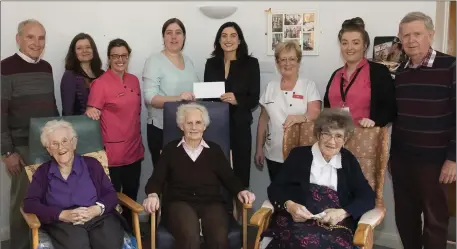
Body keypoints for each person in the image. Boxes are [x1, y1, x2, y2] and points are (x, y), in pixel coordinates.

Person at [142, 103, 256, 249]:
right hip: (179, 202)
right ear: (182, 126)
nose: (194, 127)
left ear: (204, 126)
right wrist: (152, 194)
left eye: (198, 123)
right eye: (189, 123)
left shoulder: (214, 150)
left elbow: (230, 178)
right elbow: (156, 179)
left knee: (219, 238)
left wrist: (241, 190)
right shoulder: (170, 150)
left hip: (212, 202)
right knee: (190, 237)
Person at [260, 108, 375, 249]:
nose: (332, 141)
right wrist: (289, 205)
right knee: (302, 242)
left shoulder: (348, 160)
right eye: (327, 134)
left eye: (338, 136)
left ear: (345, 139)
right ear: (318, 134)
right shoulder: (299, 155)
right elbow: (276, 188)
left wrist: (343, 213)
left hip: (334, 224)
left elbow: (367, 195)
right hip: (297, 221)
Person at [390, 12, 456, 249]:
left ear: (431, 35)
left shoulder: (451, 66)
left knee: (435, 220)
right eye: (406, 35)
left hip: (436, 162)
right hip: (402, 160)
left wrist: (453, 158)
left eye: (417, 34)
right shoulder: (400, 72)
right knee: (405, 219)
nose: (411, 40)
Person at [1, 19, 59, 249]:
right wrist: (7, 151)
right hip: (21, 148)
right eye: (30, 37)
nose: (37, 43)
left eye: (41, 37)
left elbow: (52, 107)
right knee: (23, 203)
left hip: (48, 146)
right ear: (18, 39)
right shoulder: (5, 67)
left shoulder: (46, 67)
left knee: (48, 198)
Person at [23, 120, 125, 249]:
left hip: (98, 217)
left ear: (74, 142)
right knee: (77, 245)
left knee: (109, 244)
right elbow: (30, 203)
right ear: (49, 149)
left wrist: (96, 209)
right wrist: (61, 214)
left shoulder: (92, 164)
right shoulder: (43, 172)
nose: (61, 147)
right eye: (54, 144)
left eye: (65, 141)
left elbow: (110, 194)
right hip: (63, 223)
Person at [85, 38, 144, 226]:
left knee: (131, 198)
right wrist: (89, 110)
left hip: (134, 150)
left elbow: (138, 111)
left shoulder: (134, 80)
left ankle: (131, 235)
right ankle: (114, 237)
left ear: (129, 57)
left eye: (124, 56)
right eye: (115, 56)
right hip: (112, 155)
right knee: (111, 200)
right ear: (109, 58)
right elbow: (91, 116)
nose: (120, 60)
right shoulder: (100, 84)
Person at [204, 21, 260, 188]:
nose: (228, 40)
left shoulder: (251, 63)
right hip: (215, 126)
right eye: (224, 35)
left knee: (240, 174)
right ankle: (220, 212)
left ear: (240, 40)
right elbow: (206, 97)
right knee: (215, 172)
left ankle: (239, 213)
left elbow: (254, 99)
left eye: (233, 35)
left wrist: (237, 100)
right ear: (218, 40)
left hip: (240, 126)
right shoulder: (211, 63)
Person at [255, 40, 321, 181]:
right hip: (273, 152)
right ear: (277, 63)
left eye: (292, 59)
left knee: (299, 196)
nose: (287, 63)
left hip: (302, 153)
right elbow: (263, 120)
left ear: (299, 61)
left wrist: (300, 118)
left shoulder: (308, 86)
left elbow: (315, 113)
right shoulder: (270, 87)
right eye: (283, 59)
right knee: (278, 193)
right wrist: (259, 148)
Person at [142, 18, 199, 167]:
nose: (174, 37)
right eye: (169, 33)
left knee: (185, 176)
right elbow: (150, 98)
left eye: (178, 33)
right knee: (165, 178)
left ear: (184, 37)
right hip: (161, 129)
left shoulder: (189, 61)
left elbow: (195, 92)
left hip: (187, 129)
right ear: (163, 37)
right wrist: (178, 98)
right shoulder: (154, 61)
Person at [323, 17, 396, 128]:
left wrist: (375, 121)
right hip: (335, 140)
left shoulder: (379, 72)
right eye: (344, 43)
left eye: (356, 43)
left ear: (365, 46)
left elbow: (390, 108)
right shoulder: (335, 75)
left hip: (365, 139)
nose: (349, 48)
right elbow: (327, 108)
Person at [61, 33, 104, 116]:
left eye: (88, 47)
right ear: (74, 52)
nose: (84, 51)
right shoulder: (70, 76)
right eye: (79, 48)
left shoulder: (102, 74)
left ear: (93, 50)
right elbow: (68, 112)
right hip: (81, 126)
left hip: (104, 125)